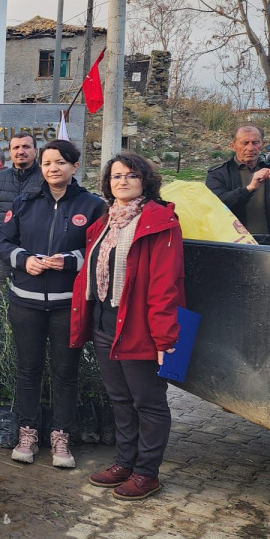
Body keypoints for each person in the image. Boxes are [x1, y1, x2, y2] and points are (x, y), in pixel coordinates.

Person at [71, 152, 185, 500]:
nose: (122, 181)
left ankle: (147, 472)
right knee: (120, 398)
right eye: (116, 176)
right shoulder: (106, 222)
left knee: (147, 401)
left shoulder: (160, 222)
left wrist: (166, 338)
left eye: (130, 175)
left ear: (144, 181)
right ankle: (124, 462)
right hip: (106, 323)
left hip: (140, 326)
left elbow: (166, 285)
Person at [0, 139, 105, 469]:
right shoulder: (25, 201)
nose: (53, 168)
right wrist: (23, 260)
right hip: (26, 302)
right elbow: (4, 242)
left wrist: (72, 260)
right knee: (28, 370)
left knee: (65, 372)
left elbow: (101, 249)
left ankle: (61, 435)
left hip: (66, 304)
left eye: (60, 162)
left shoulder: (92, 206)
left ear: (74, 166)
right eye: (47, 163)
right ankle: (27, 433)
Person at [205, 124, 270, 235]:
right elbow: (215, 206)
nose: (250, 148)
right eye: (245, 143)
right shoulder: (219, 173)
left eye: (255, 143)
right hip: (233, 244)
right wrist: (249, 189)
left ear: (262, 144)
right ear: (233, 146)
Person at [0, 133, 42, 286]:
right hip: (6, 248)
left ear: (35, 151)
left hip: (36, 249)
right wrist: (4, 228)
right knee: (2, 294)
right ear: (10, 152)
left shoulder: (45, 177)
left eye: (26, 146)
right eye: (16, 147)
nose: (21, 151)